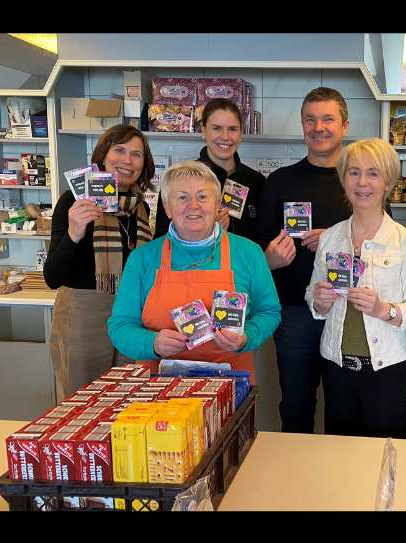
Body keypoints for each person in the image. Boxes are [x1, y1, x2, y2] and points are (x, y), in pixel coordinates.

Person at [305, 138, 406, 438]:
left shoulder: (404, 241)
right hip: (337, 366)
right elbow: (312, 296)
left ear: (388, 182)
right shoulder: (331, 238)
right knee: (342, 458)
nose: (363, 182)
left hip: (386, 369)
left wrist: (383, 309)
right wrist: (320, 301)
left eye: (373, 173)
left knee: (386, 457)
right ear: (344, 179)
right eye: (354, 172)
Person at [108, 161, 281, 381]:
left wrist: (246, 337)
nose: (194, 206)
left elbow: (269, 311)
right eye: (182, 197)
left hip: (232, 384)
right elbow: (120, 326)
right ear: (167, 207)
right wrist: (152, 343)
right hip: (158, 386)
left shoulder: (248, 253)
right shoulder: (143, 258)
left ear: (218, 204)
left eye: (202, 196)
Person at [255, 87, 354, 433]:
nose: (318, 127)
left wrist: (334, 239)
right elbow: (259, 245)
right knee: (296, 406)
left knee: (345, 407)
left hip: (347, 311)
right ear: (302, 125)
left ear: (344, 126)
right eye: (310, 119)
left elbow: (380, 244)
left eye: (328, 119)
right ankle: (296, 479)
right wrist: (269, 258)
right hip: (295, 313)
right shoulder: (281, 181)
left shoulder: (359, 181)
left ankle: (341, 481)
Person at [44, 124, 155, 398]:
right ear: (103, 155)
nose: (127, 160)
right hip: (84, 313)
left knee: (128, 399)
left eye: (136, 154)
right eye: (119, 150)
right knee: (82, 402)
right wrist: (74, 234)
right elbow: (52, 277)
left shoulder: (141, 207)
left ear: (144, 164)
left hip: (131, 313)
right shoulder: (74, 200)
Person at [154, 98, 265, 240]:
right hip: (193, 262)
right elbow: (162, 239)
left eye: (232, 129)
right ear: (203, 130)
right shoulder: (178, 180)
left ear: (240, 133)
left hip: (243, 262)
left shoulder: (257, 182)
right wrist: (202, 230)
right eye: (216, 128)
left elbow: (263, 238)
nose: (225, 137)